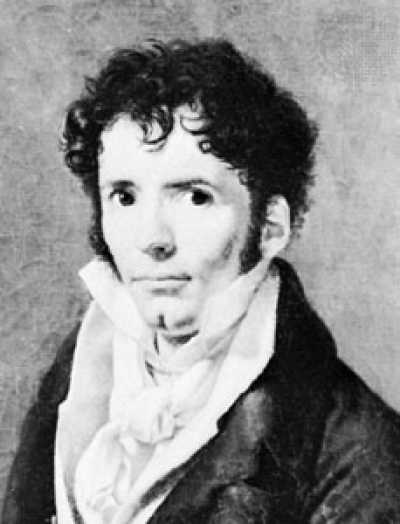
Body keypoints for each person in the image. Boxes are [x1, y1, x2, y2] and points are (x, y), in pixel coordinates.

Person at [3, 38, 400, 524]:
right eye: (124, 197)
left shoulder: (359, 456)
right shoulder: (83, 369)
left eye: (195, 197)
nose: (152, 239)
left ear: (270, 226)